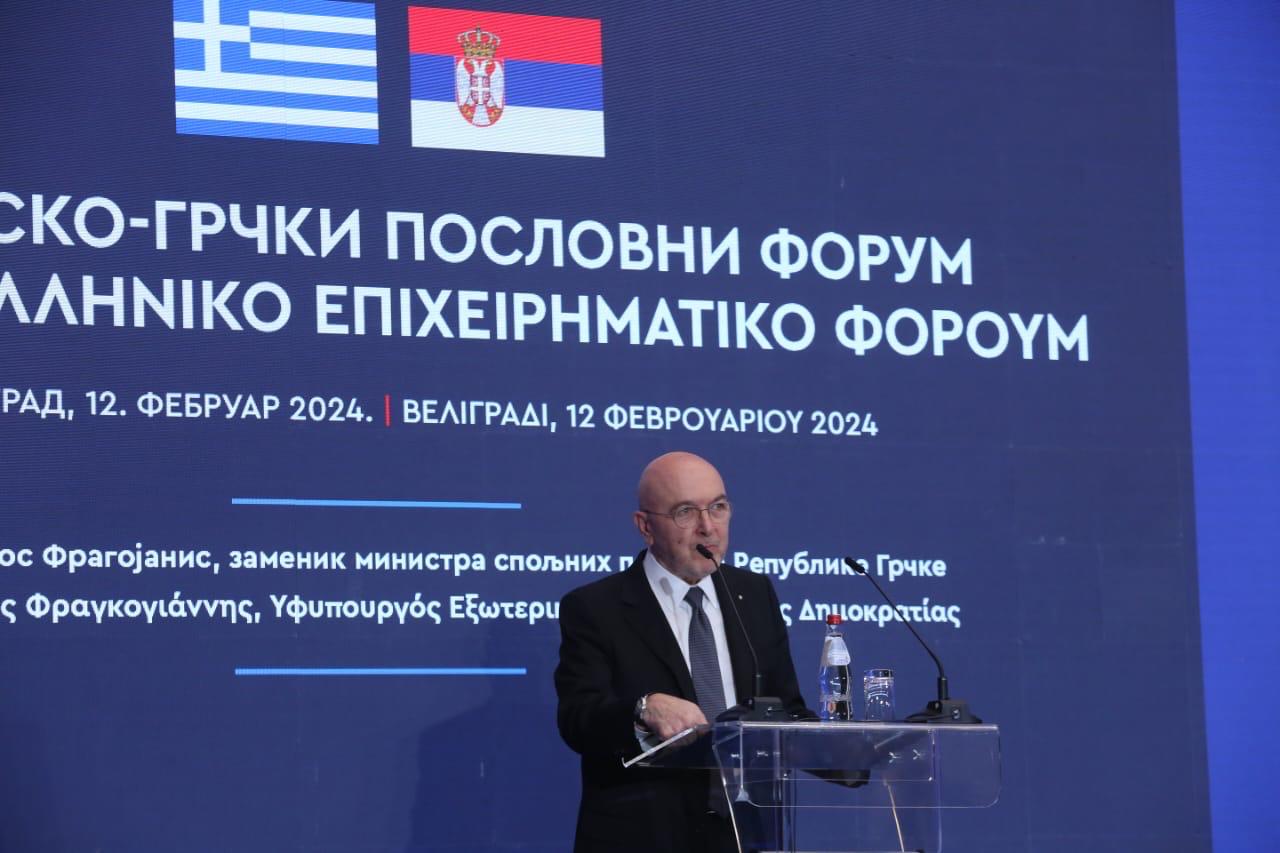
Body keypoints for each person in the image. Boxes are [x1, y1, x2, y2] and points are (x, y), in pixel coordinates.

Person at [555, 451, 809, 853]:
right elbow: (578, 719)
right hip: (644, 837)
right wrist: (642, 710)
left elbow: (785, 709)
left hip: (746, 834)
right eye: (685, 512)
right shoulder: (596, 607)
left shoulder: (754, 594)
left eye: (718, 507)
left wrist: (857, 750)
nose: (708, 527)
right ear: (645, 526)